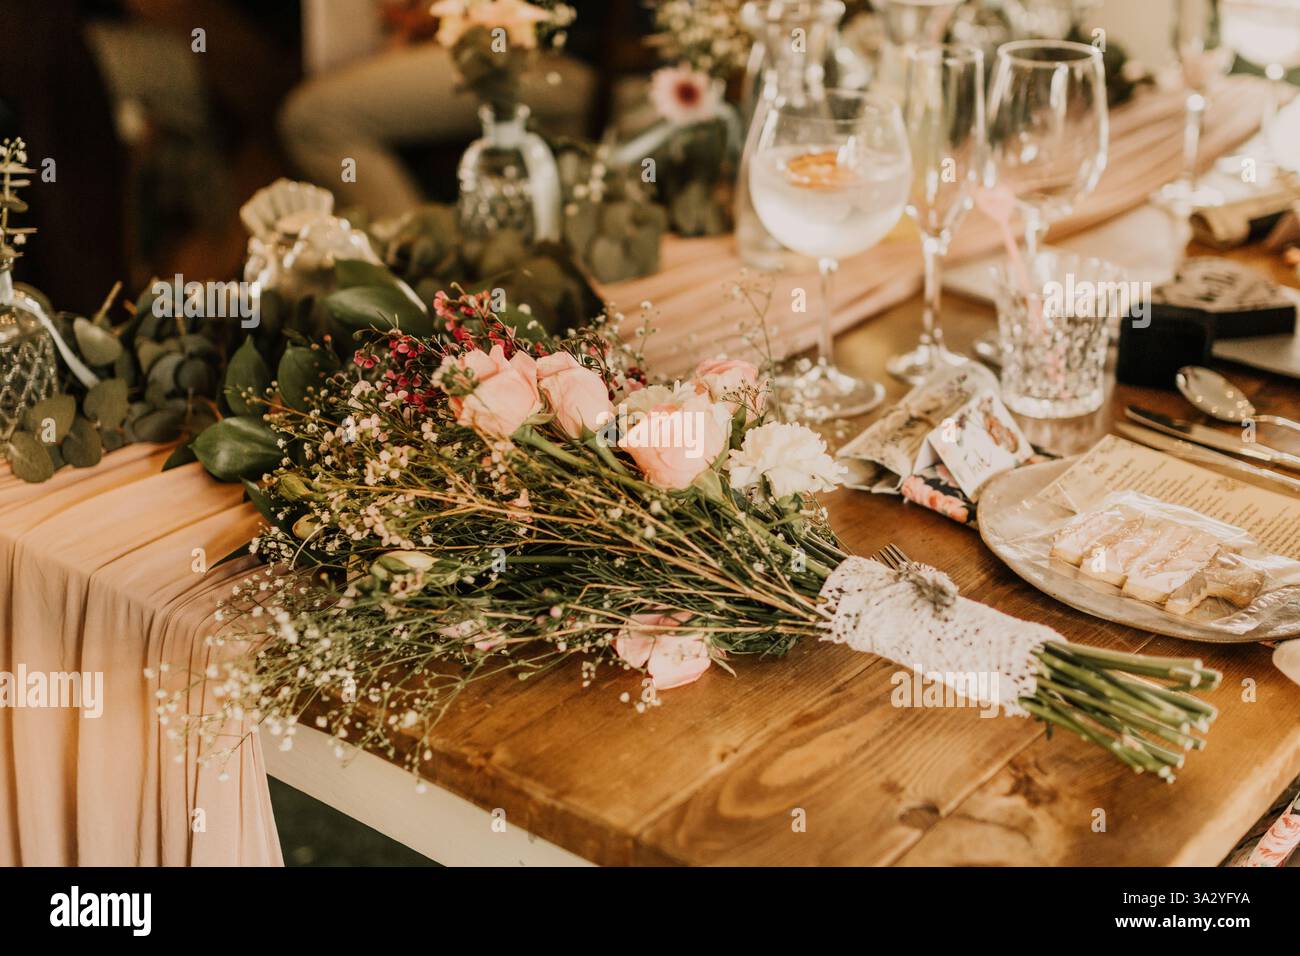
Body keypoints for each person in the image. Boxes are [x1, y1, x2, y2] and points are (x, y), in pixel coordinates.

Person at [278, 0, 599, 218]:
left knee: (316, 118)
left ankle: (417, 275)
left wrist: (446, 17)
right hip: (505, 39)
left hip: (554, 56)